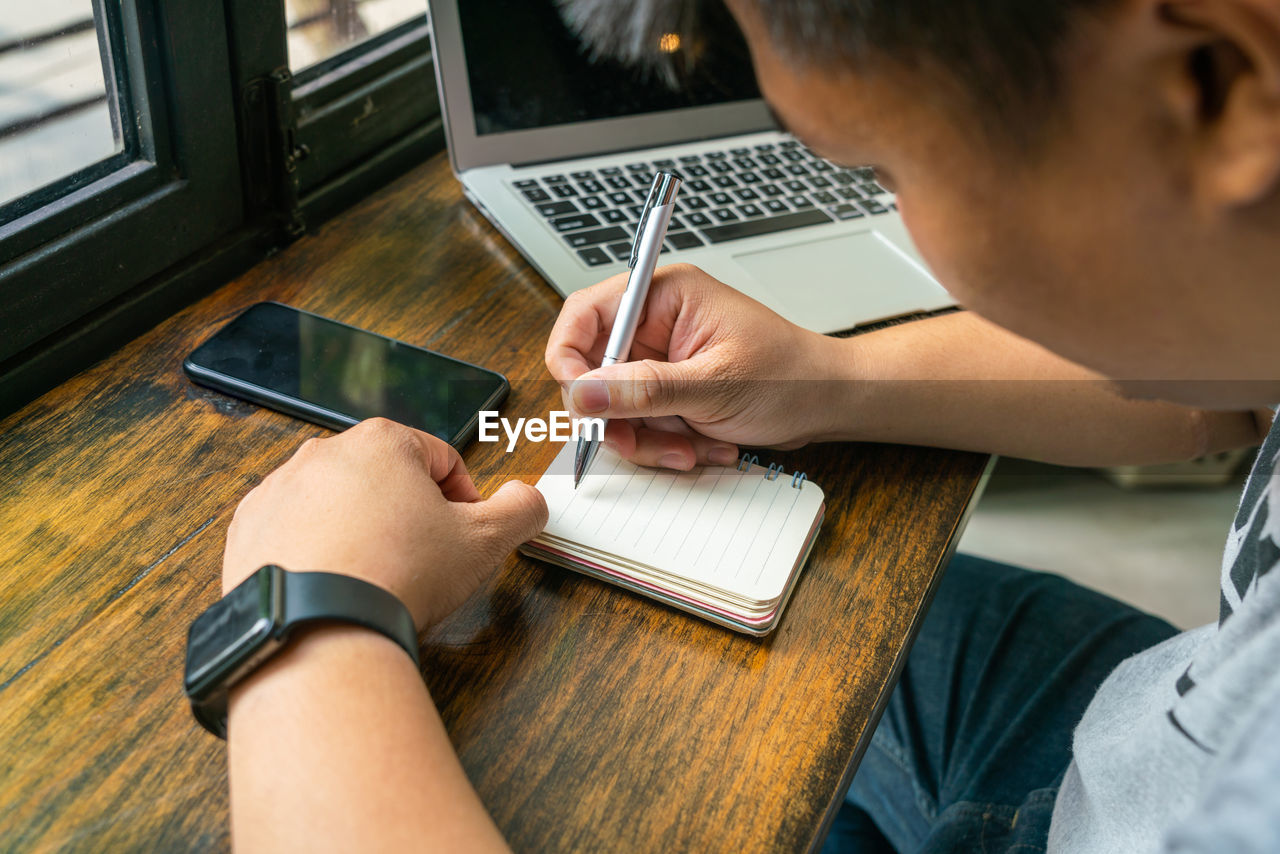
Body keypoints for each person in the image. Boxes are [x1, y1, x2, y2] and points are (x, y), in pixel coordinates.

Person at [216, 0, 1280, 850]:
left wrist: (308, 622)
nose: (888, 213)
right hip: (1153, 723)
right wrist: (832, 377)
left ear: (1213, 83)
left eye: (882, 169)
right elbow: (1235, 389)